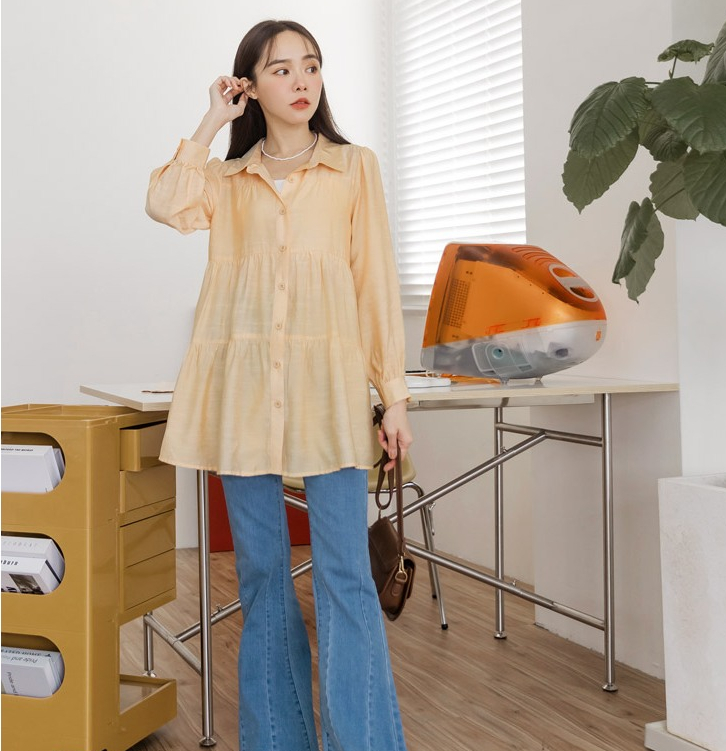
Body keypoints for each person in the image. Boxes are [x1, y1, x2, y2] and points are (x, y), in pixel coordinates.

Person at [146, 19, 412, 751]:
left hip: (330, 397)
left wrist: (393, 395)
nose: (301, 81)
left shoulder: (353, 168)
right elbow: (165, 202)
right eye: (281, 69)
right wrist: (211, 120)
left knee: (345, 576)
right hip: (241, 402)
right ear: (250, 86)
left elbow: (374, 284)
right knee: (263, 578)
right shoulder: (226, 182)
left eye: (311, 66)